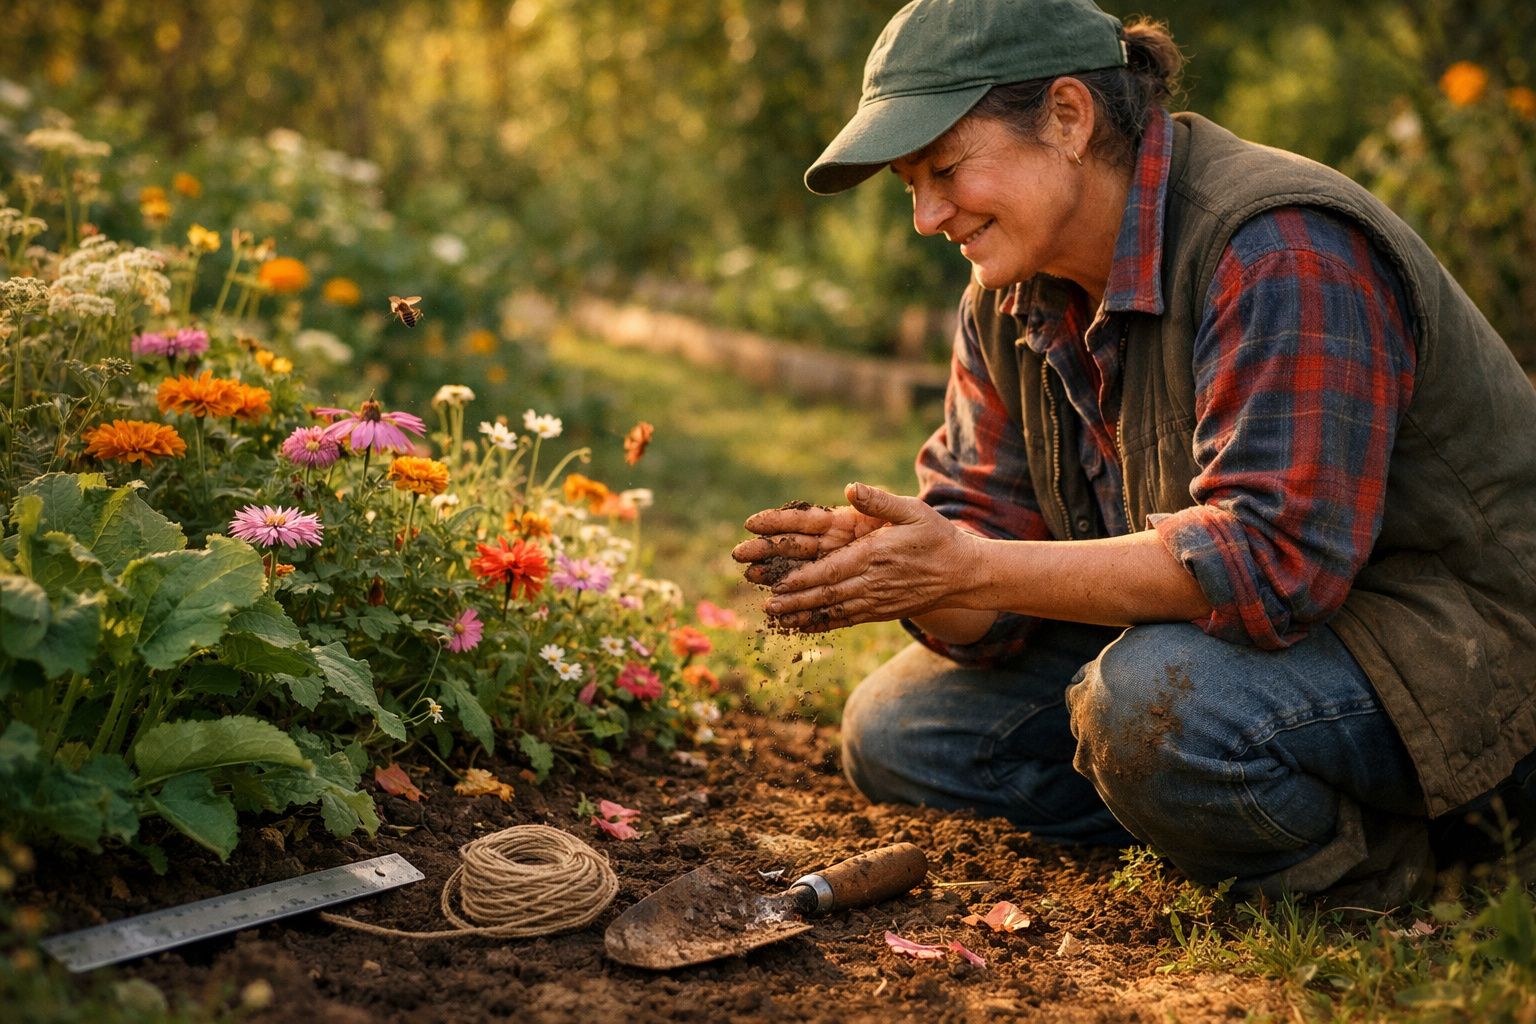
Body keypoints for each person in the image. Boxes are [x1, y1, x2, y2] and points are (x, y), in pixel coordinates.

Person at [732, 0, 1536, 908]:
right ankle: (1213, 806)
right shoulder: (1006, 298)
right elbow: (991, 565)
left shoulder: (1276, 244)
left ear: (1068, 117)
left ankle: (1389, 877)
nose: (927, 216)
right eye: (909, 184)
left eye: (947, 169)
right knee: (901, 730)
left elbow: (1273, 562)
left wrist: (970, 565)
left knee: (1151, 708)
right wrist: (906, 567)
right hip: (1267, 647)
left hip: (1465, 648)